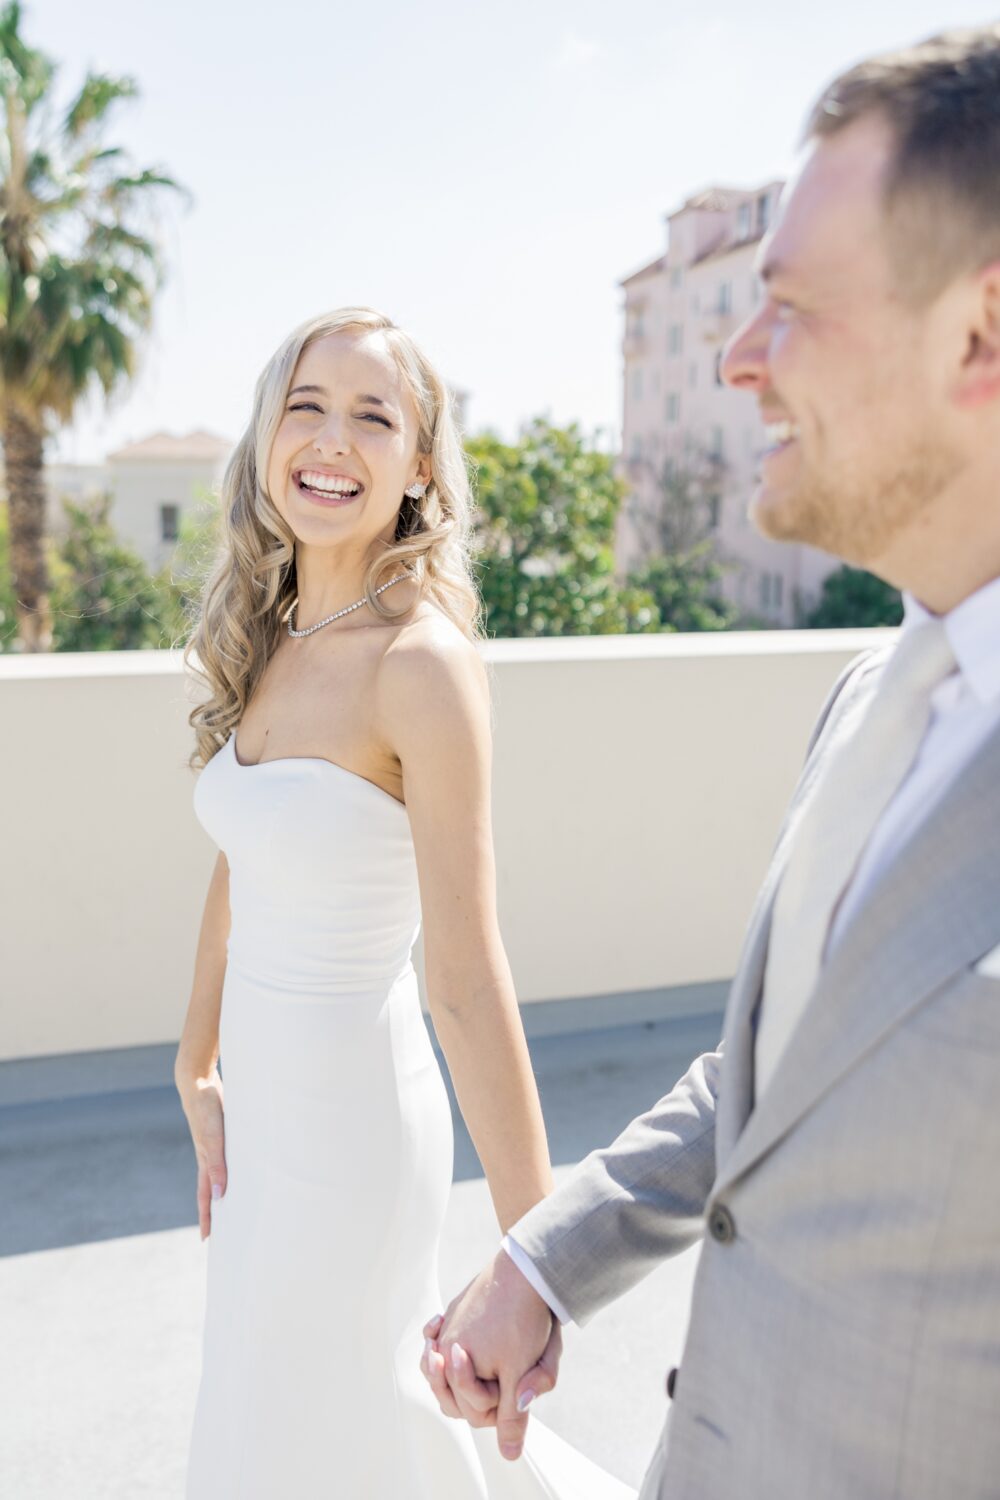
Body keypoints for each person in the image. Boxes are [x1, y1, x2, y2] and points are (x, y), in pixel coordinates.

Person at [421, 25, 1000, 1500]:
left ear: (980, 336)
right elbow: (785, 1077)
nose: (739, 360)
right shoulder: (874, 695)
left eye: (790, 309)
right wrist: (548, 1260)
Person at [175, 305, 633, 1497]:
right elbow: (248, 852)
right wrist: (196, 1058)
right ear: (270, 436)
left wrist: (542, 1259)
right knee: (269, 1421)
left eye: (372, 416)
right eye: (306, 406)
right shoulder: (273, 632)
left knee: (355, 1434)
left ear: (419, 465)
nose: (332, 440)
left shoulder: (418, 664)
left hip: (350, 1133)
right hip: (260, 1133)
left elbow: (468, 978)